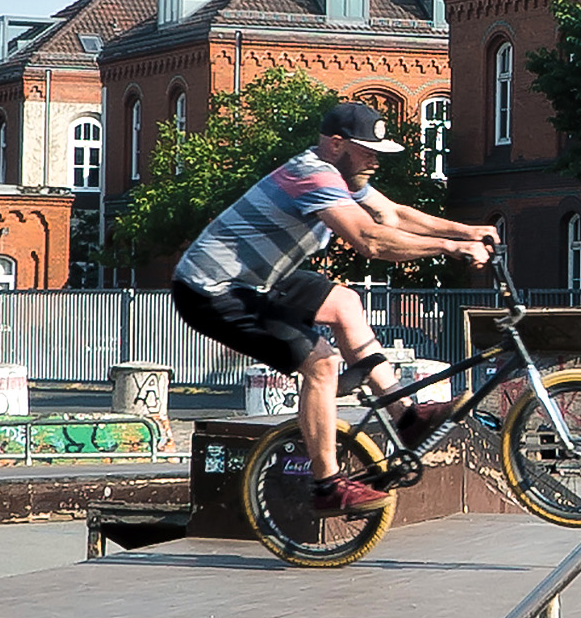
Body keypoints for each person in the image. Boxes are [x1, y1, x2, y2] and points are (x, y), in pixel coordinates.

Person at [170, 99, 496, 515]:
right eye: (367, 151)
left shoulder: (344, 177)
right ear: (337, 144)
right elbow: (370, 240)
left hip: (260, 279)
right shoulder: (314, 175)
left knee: (344, 303)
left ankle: (406, 417)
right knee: (321, 364)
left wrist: (467, 230)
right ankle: (326, 484)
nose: (375, 160)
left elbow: (391, 214)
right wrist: (449, 247)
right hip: (210, 291)